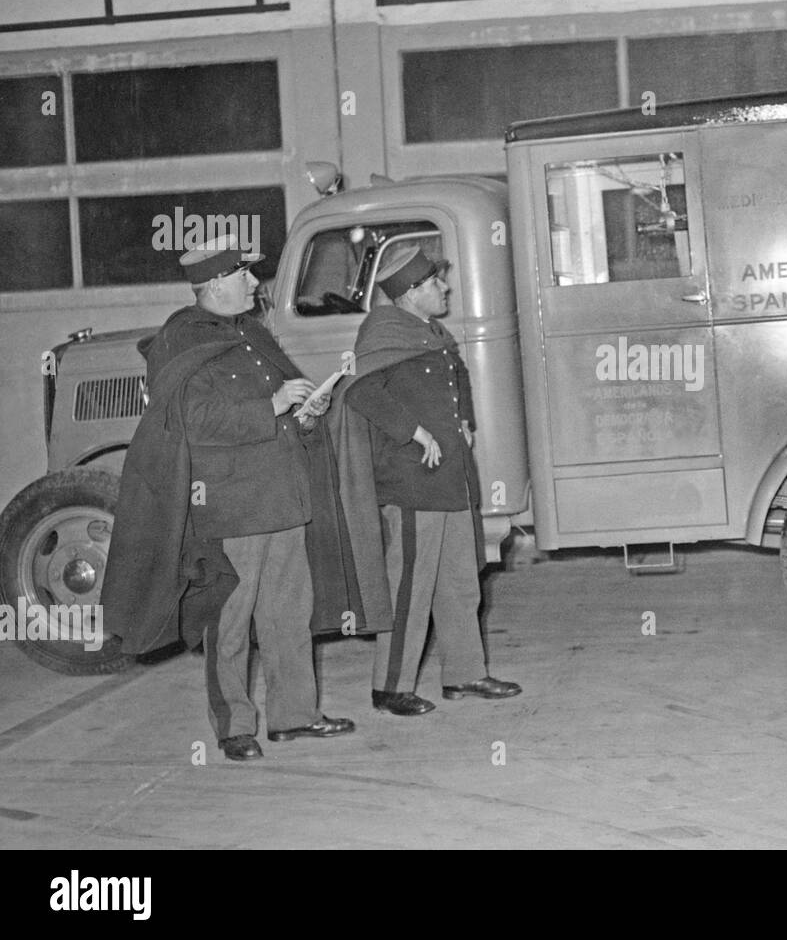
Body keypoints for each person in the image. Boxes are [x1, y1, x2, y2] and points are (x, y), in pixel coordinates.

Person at [102, 234, 390, 761]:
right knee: (229, 621)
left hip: (282, 498)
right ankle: (235, 726)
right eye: (244, 276)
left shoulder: (253, 333)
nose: (255, 284)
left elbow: (282, 398)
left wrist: (305, 407)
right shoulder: (181, 340)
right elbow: (191, 420)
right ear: (214, 284)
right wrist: (273, 405)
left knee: (289, 614)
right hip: (232, 508)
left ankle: (294, 716)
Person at [331, 242, 521, 716]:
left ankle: (464, 673)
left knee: (460, 581)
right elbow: (361, 391)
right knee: (409, 587)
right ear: (412, 291)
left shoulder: (429, 330)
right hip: (412, 481)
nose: (446, 288)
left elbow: (455, 376)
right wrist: (412, 431)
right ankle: (390, 686)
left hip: (449, 478)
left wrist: (466, 421)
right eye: (436, 282)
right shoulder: (383, 330)